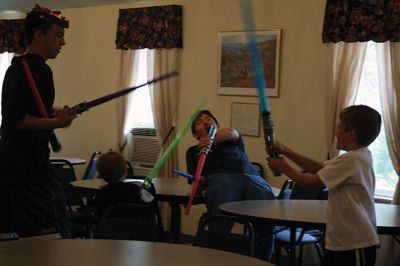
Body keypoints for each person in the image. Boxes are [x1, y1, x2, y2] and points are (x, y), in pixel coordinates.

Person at [266, 105, 381, 266]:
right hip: (342, 242)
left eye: (339, 126)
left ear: (351, 135)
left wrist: (283, 167)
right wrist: (286, 151)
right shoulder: (359, 155)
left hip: (354, 243)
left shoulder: (351, 160)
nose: (336, 131)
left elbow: (310, 183)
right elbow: (318, 167)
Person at [0, 5, 76, 239]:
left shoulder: (16, 68)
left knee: (10, 240)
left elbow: (20, 113)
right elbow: (18, 120)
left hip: (8, 166)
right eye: (59, 35)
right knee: (49, 239)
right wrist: (57, 123)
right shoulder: (40, 70)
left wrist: (52, 116)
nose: (62, 42)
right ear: (39, 35)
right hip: (31, 169)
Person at [186, 109, 276, 260]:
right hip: (221, 178)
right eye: (199, 122)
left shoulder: (230, 138)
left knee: (267, 212)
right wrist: (201, 182)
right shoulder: (193, 151)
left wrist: (212, 139)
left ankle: (261, 260)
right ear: (195, 134)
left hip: (251, 176)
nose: (205, 121)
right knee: (221, 215)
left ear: (217, 125)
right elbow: (197, 182)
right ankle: (215, 259)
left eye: (209, 118)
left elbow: (233, 132)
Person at [94, 151, 154, 218]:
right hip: (136, 226)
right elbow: (150, 202)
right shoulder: (135, 189)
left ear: (101, 175)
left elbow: (98, 212)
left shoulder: (101, 193)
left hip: (110, 226)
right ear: (125, 171)